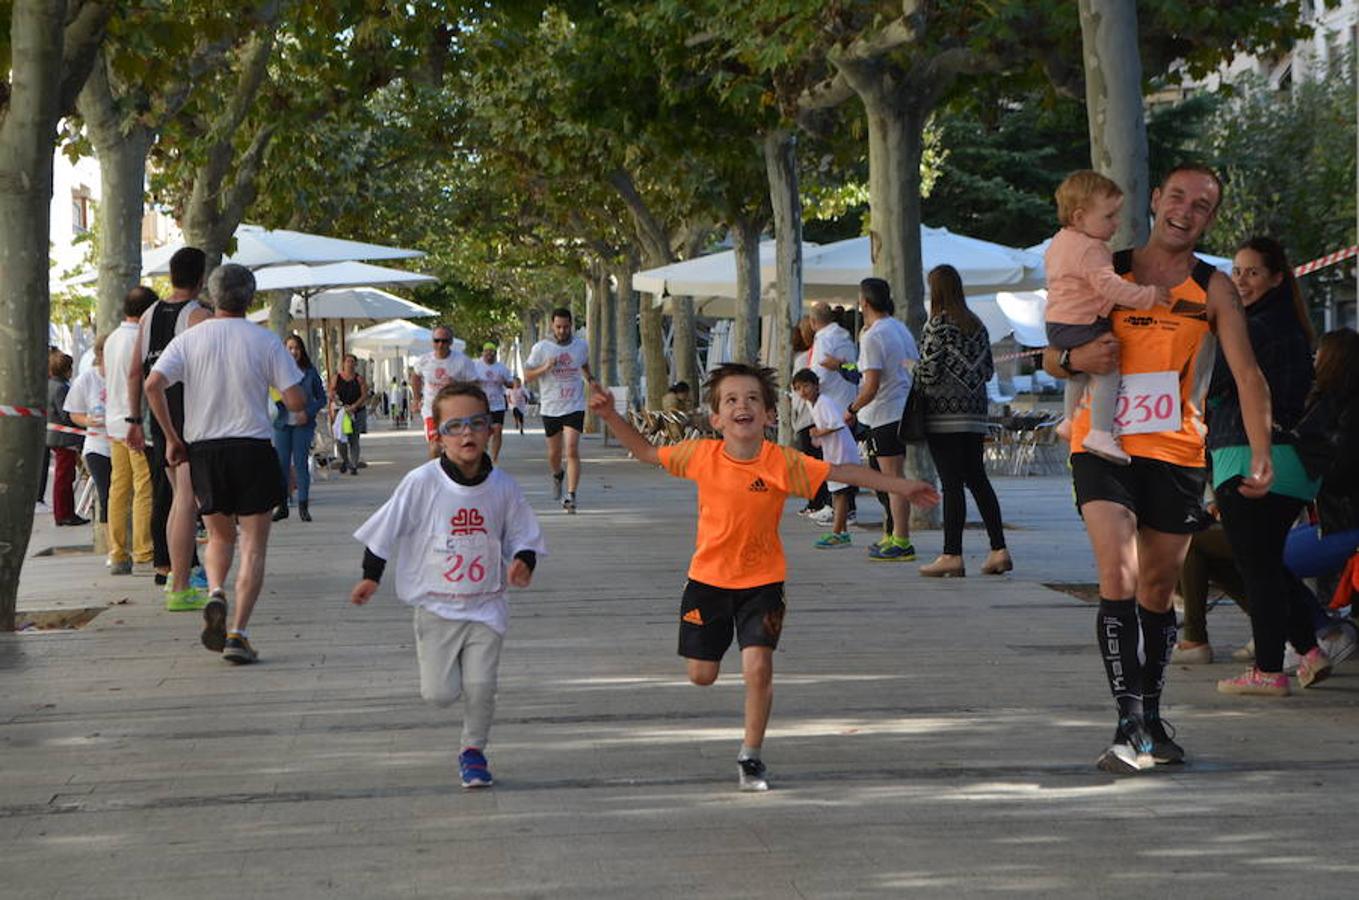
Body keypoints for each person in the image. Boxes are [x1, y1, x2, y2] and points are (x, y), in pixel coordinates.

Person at [588, 363, 939, 791]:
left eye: (753, 399)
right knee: (702, 675)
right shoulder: (700, 455)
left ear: (770, 415)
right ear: (715, 418)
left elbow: (842, 473)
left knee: (759, 667)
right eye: (731, 400)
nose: (743, 406)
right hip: (707, 582)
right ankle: (719, 672)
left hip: (762, 583)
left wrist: (901, 487)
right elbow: (645, 452)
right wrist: (609, 416)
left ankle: (751, 755)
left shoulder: (780, 462)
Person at [1043, 164, 1273, 774]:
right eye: (1178, 197)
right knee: (1117, 574)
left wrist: (1259, 449)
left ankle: (1149, 712)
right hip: (1103, 444)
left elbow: (1247, 373)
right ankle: (1127, 724)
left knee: (1155, 589)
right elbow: (1053, 348)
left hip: (1175, 450)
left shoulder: (1213, 287)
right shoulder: (1105, 265)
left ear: (1210, 219)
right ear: (1156, 201)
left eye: (1202, 205)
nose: (1186, 210)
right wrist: (1072, 356)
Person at [350, 381, 546, 788]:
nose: (467, 434)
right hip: (436, 607)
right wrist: (372, 576)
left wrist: (524, 562)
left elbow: (522, 534)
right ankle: (447, 677)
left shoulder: (504, 488)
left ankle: (473, 751)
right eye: (455, 426)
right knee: (439, 694)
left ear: (492, 429)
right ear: (438, 437)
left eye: (477, 423)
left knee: (481, 687)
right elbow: (385, 530)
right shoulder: (422, 483)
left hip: (486, 606)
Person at [144, 264, 306, 664]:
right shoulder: (265, 341)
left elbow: (151, 385)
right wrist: (292, 411)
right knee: (253, 545)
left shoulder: (189, 339)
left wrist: (171, 436)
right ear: (250, 299)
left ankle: (215, 589)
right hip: (252, 446)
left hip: (204, 450)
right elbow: (296, 401)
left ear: (211, 297)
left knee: (219, 537)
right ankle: (238, 633)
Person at [1205, 237, 1331, 696]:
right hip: (1296, 465)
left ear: (1277, 278)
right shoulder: (1293, 326)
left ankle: (1267, 670)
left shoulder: (1250, 328)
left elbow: (1217, 389)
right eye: (1237, 272)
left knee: (1255, 567)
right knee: (1267, 563)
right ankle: (1309, 650)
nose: (1241, 281)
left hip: (1248, 455)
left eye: (1252, 272)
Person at [1045, 170, 1170, 465]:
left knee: (1079, 371)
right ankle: (1100, 432)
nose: (1116, 223)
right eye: (1109, 217)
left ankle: (1068, 419)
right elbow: (1110, 285)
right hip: (1084, 320)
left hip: (1058, 322)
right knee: (1107, 371)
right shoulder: (1091, 249)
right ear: (1078, 217)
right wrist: (1148, 296)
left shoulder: (1059, 242)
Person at [127, 247, 212, 608]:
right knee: (187, 501)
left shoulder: (147, 315)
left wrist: (134, 419)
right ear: (201, 278)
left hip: (157, 417)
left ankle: (176, 571)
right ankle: (182, 579)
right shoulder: (199, 316)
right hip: (188, 417)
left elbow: (135, 371)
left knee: (179, 497)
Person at [913, 265, 1010, 577]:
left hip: (943, 416)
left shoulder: (937, 326)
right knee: (978, 480)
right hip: (975, 415)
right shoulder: (977, 326)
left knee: (951, 484)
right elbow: (988, 372)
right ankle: (999, 549)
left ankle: (951, 554)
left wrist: (910, 366)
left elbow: (928, 371)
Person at [1286, 328, 1359, 620]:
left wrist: (1300, 466)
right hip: (1337, 520)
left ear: (1334, 361)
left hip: (1345, 523)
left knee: (1268, 561)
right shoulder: (1332, 404)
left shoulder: (1346, 411)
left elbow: (1340, 472)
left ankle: (1317, 631)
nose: (1314, 360)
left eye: (1320, 355)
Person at [847, 277, 921, 561]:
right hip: (900, 409)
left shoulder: (873, 336)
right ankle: (892, 532)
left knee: (892, 481)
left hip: (885, 413)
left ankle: (901, 539)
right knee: (886, 479)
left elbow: (871, 384)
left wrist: (851, 409)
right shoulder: (899, 328)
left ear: (864, 302)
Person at [102, 286, 158, 576]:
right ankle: (144, 548)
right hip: (135, 422)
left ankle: (117, 551)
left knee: (119, 488)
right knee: (144, 486)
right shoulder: (141, 338)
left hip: (113, 422)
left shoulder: (111, 338)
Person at [524, 308, 594, 513]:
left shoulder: (581, 345)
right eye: (558, 327)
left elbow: (584, 364)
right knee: (554, 453)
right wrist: (544, 368)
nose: (562, 330)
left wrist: (591, 380)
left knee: (571, 449)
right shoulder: (541, 348)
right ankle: (557, 474)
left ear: (571, 325)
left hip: (575, 404)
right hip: (550, 406)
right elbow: (527, 375)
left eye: (566, 326)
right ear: (552, 326)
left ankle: (571, 495)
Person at [792, 369, 860, 548]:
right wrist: (818, 438)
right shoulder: (812, 404)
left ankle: (837, 533)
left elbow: (837, 424)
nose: (803, 391)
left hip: (841, 453)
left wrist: (818, 432)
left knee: (840, 493)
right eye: (798, 388)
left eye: (806, 386)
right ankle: (842, 532)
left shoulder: (824, 402)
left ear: (816, 386)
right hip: (833, 452)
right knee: (837, 492)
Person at [272, 335, 327, 522]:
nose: (293, 351)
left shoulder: (310, 372)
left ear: (301, 350)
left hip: (303, 424)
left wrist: (309, 412)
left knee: (301, 463)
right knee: (281, 465)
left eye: (296, 348)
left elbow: (322, 398)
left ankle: (303, 505)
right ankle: (282, 504)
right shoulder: (276, 372)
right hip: (281, 423)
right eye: (289, 348)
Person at [63, 335, 111, 541]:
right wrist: (88, 421)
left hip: (124, 442)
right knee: (106, 492)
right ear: (100, 354)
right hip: (97, 446)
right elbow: (74, 413)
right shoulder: (86, 379)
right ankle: (110, 543)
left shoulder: (124, 374)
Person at [411, 325, 478, 457]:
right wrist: (416, 398)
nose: (440, 344)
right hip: (431, 410)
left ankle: (452, 473)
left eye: (444, 341)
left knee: (454, 447)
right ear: (432, 342)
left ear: (451, 342)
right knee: (435, 446)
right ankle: (436, 475)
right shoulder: (424, 360)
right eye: (437, 340)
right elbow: (415, 376)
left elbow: (475, 384)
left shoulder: (463, 361)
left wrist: (457, 384)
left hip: (456, 410)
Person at [46, 351, 88, 527]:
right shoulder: (62, 388)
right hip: (65, 439)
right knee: (65, 477)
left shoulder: (51, 385)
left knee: (63, 476)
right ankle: (65, 513)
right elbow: (67, 414)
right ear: (67, 370)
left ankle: (63, 512)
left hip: (56, 437)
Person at [474, 342, 514, 463]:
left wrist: (504, 382)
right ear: (483, 353)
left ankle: (494, 459)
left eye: (492, 353)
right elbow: (467, 381)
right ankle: (483, 453)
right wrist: (476, 382)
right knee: (483, 432)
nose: (489, 355)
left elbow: (512, 384)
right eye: (487, 352)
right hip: (480, 404)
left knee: (497, 430)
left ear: (495, 354)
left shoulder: (501, 368)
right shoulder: (476, 365)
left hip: (498, 404)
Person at [330, 353, 370, 475]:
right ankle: (345, 460)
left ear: (356, 364)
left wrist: (354, 406)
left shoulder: (359, 379)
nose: (350, 364)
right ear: (343, 363)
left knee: (354, 439)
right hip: (341, 412)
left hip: (356, 412)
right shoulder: (336, 378)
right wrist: (337, 404)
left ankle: (353, 465)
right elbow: (331, 392)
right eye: (347, 361)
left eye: (352, 362)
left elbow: (364, 395)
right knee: (340, 440)